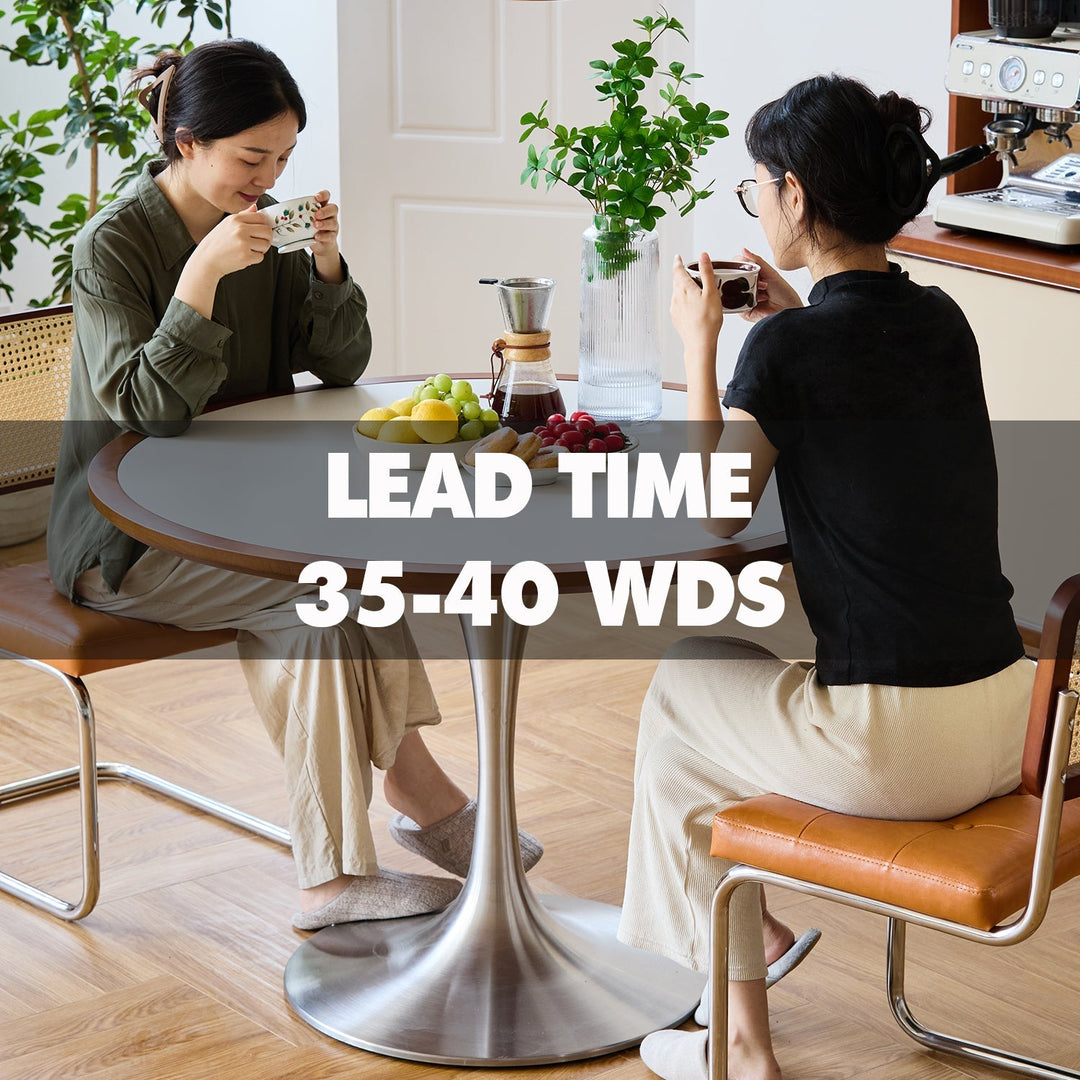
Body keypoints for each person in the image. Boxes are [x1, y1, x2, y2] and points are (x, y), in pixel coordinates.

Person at [46, 39, 541, 931]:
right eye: (252, 158)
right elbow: (150, 409)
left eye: (283, 158)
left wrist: (325, 263)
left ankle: (420, 803)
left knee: (357, 575)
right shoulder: (113, 245)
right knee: (316, 600)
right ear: (186, 143)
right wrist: (203, 275)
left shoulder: (265, 226)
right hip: (129, 539)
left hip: (240, 510)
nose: (269, 179)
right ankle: (335, 876)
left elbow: (342, 365)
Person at [616, 74, 1034, 1080]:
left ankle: (740, 1038)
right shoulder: (943, 319)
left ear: (796, 195)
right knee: (692, 734)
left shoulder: (787, 351)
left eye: (757, 185)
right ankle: (739, 984)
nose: (756, 202)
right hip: (1011, 718)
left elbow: (715, 509)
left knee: (681, 688)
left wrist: (704, 346)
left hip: (897, 749)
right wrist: (790, 317)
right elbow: (860, 387)